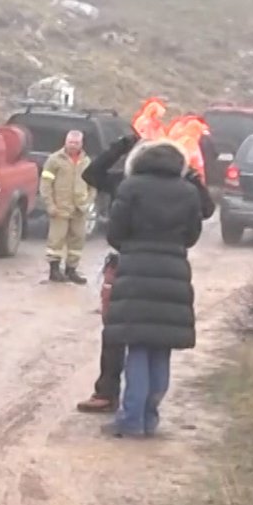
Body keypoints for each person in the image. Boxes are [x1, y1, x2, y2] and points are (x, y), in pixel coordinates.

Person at [101, 139, 206, 438]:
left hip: (135, 269)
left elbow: (115, 232)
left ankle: (131, 420)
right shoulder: (187, 191)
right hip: (174, 270)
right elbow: (193, 234)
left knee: (137, 347)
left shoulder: (131, 187)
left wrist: (133, 247)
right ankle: (150, 417)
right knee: (161, 348)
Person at [75, 132, 138, 414]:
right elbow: (91, 174)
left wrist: (119, 148)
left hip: (134, 264)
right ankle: (110, 393)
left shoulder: (172, 185)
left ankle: (126, 397)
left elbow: (206, 208)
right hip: (125, 264)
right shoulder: (123, 182)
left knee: (129, 335)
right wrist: (119, 147)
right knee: (114, 331)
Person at [40, 130, 94, 284]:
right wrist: (50, 204)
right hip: (60, 208)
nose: (73, 145)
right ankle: (54, 271)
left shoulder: (86, 161)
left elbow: (93, 184)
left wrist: (88, 201)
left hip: (80, 209)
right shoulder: (54, 160)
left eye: (76, 143)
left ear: (81, 144)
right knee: (56, 240)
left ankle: (71, 271)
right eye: (70, 142)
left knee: (77, 241)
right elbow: (45, 184)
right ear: (65, 142)